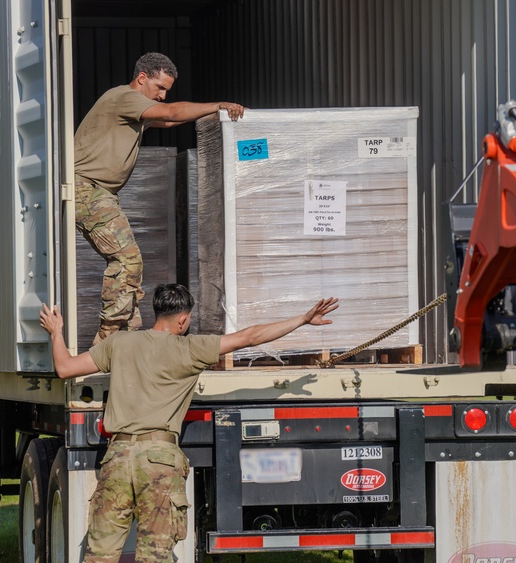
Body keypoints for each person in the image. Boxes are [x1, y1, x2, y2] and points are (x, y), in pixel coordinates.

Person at [39, 284, 338, 562]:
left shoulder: (119, 343)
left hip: (117, 457)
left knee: (99, 554)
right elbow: (250, 336)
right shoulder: (189, 349)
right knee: (155, 554)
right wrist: (302, 319)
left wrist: (56, 331)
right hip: (159, 460)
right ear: (182, 320)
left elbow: (65, 368)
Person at [74, 52, 247, 345]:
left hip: (100, 192)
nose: (163, 96)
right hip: (87, 189)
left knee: (130, 262)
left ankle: (127, 337)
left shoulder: (132, 107)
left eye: (167, 91)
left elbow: (165, 123)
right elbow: (170, 114)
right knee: (127, 260)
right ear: (142, 78)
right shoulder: (124, 97)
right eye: (160, 88)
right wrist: (219, 105)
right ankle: (108, 339)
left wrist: (210, 115)